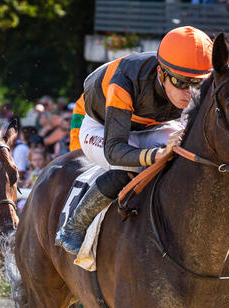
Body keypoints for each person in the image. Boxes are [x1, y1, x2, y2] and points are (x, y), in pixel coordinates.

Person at [56, 26, 213, 254]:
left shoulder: (196, 86)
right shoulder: (126, 80)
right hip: (103, 126)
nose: (189, 92)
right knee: (128, 166)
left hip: (153, 125)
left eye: (197, 84)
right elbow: (114, 150)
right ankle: (73, 227)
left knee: (187, 152)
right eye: (181, 82)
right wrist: (157, 155)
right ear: (161, 73)